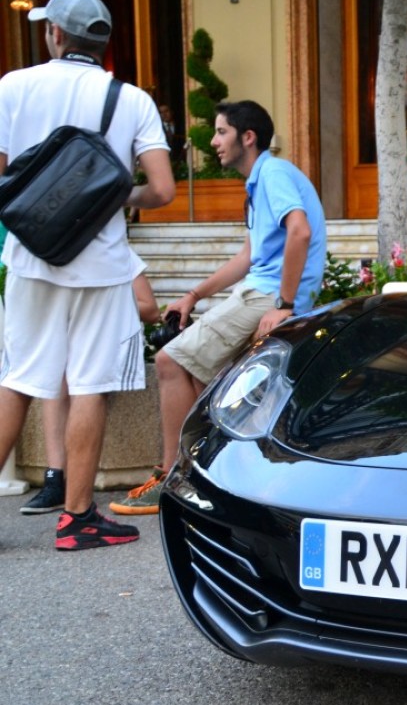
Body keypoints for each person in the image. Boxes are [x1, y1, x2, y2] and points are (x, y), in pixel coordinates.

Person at [0, 0, 175, 550]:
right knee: (91, 387)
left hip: (30, 254)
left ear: (54, 34)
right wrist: (112, 199)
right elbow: (164, 190)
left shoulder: (13, 87)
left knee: (17, 380)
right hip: (100, 263)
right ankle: (77, 520)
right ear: (102, 44)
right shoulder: (131, 99)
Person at [110, 100, 327, 516]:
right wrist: (194, 294)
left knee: (172, 360)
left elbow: (299, 232)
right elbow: (248, 256)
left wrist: (284, 304)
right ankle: (206, 477)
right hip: (257, 290)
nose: (213, 142)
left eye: (221, 131)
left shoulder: (274, 173)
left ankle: (174, 478)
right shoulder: (259, 182)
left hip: (265, 296)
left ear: (248, 137)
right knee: (206, 382)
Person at [20, 270, 162, 515]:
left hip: (107, 348)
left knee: (73, 375)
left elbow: (151, 310)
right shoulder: (62, 262)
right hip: (74, 353)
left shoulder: (118, 256)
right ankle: (55, 480)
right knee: (57, 373)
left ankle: (71, 496)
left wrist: (104, 302)